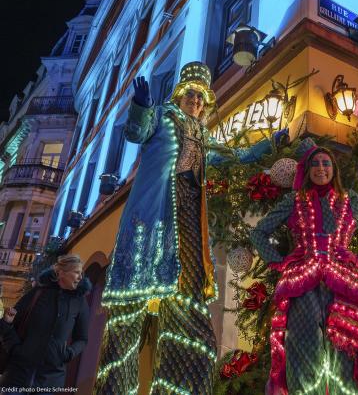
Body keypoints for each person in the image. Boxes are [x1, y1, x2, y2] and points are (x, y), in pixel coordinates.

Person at [94, 61, 288, 395]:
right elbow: (135, 133)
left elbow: (233, 156)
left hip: (188, 230)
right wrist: (140, 107)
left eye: (201, 97)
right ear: (181, 94)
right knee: (127, 317)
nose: (196, 101)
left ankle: (178, 388)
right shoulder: (161, 117)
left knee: (192, 321)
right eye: (192, 94)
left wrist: (269, 145)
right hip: (152, 222)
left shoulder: (202, 136)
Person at [250, 139, 358, 395]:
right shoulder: (294, 200)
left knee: (345, 346)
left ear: (334, 169)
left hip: (344, 283)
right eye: (315, 163)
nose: (321, 168)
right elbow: (259, 232)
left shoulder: (350, 200)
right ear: (307, 170)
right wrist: (278, 261)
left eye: (326, 163)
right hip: (302, 282)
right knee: (305, 346)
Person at [0, 254, 90, 393]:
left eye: (81, 273)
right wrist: (16, 349)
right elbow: (9, 323)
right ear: (61, 273)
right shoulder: (38, 293)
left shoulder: (80, 302)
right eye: (77, 272)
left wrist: (68, 354)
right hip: (17, 375)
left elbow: (82, 339)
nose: (80, 277)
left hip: (50, 380)